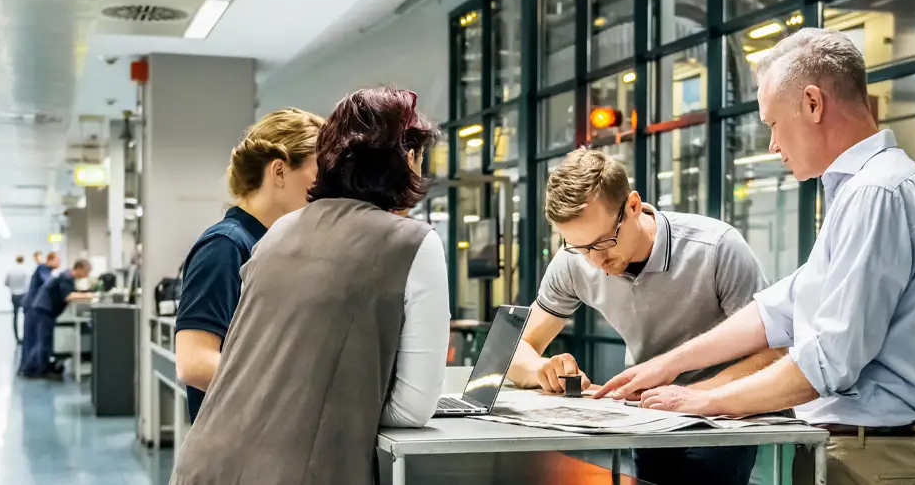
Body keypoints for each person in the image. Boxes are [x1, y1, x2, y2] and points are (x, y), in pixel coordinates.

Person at [597, 28, 915, 485]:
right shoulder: (859, 191)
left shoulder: (878, 192)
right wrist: (665, 366)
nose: (773, 145)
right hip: (848, 448)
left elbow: (829, 360)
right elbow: (780, 309)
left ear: (813, 104)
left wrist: (705, 401)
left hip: (874, 455)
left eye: (772, 123)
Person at [171, 86, 449, 485]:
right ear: (406, 159)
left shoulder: (278, 234)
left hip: (209, 461)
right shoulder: (228, 244)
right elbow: (411, 408)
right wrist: (318, 392)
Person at [500, 147, 777, 485]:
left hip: (718, 420)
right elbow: (513, 348)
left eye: (604, 242)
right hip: (645, 414)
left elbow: (773, 351)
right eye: (580, 247)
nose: (595, 261)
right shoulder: (575, 261)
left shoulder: (716, 248)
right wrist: (542, 369)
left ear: (632, 206)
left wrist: (699, 397)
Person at [174, 108, 325, 422]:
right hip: (231, 443)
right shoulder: (226, 246)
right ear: (279, 171)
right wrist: (292, 389)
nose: (322, 189)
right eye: (317, 172)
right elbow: (194, 362)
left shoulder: (273, 243)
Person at [19, 259, 94, 378]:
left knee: (44, 342)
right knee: (43, 342)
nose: (86, 275)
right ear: (79, 269)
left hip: (46, 310)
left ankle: (38, 369)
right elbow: (69, 296)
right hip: (44, 310)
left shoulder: (68, 277)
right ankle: (30, 370)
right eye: (86, 272)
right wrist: (91, 295)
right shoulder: (66, 277)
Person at [18, 252, 59, 369]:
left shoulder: (46, 270)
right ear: (50, 260)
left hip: (33, 307)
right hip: (32, 308)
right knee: (32, 338)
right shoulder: (43, 268)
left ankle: (31, 366)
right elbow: (48, 282)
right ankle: (28, 368)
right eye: (57, 260)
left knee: (34, 338)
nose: (59, 263)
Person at [5, 255, 30, 344]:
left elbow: (6, 283)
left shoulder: (10, 271)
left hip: (14, 295)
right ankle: (24, 336)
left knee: (15, 316)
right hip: (23, 295)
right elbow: (28, 284)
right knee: (25, 316)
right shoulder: (25, 271)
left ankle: (16, 337)